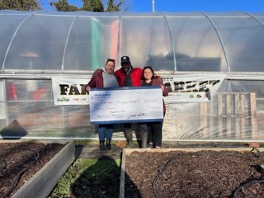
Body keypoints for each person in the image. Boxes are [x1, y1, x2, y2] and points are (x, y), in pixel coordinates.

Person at [85, 58, 119, 151]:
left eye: (112, 66)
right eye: (109, 65)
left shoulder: (116, 76)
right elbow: (90, 84)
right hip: (101, 105)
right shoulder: (99, 75)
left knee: (110, 125)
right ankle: (101, 143)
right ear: (105, 65)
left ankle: (108, 143)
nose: (110, 67)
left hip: (112, 105)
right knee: (102, 125)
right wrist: (88, 87)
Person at [114, 56, 143, 147]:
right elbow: (110, 79)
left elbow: (148, 75)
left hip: (137, 99)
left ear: (130, 63)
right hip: (125, 100)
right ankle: (130, 142)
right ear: (121, 64)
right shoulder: (117, 73)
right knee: (127, 122)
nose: (125, 65)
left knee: (142, 120)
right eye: (123, 63)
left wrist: (158, 78)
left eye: (126, 63)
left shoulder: (138, 70)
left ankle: (143, 142)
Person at [141, 66, 168, 148]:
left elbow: (166, 93)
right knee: (148, 127)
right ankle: (150, 143)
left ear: (152, 73)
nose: (147, 74)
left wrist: (163, 89)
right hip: (145, 109)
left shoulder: (158, 82)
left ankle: (158, 145)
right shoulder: (140, 83)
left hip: (158, 109)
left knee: (157, 127)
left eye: (149, 72)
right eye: (145, 72)